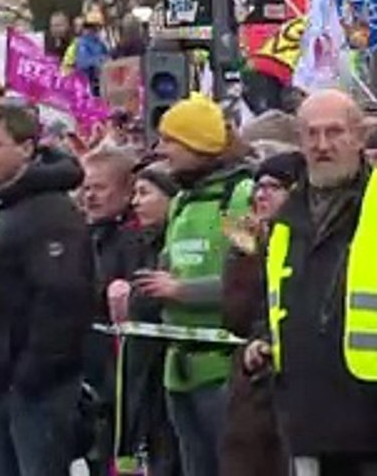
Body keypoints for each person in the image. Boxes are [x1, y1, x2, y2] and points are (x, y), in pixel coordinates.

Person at [258, 89, 377, 474]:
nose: (322, 145)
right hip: (309, 422)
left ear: (360, 137)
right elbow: (274, 303)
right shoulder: (288, 217)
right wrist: (260, 341)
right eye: (312, 134)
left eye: (334, 132)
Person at [0, 104, 94, 476]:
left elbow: (63, 302)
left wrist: (30, 375)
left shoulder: (51, 212)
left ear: (25, 148)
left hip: (36, 390)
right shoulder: (11, 203)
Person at [135, 94, 253, 476]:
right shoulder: (182, 201)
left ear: (197, 144)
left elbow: (248, 282)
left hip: (222, 370)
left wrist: (182, 291)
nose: (161, 149)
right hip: (178, 369)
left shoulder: (238, 197)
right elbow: (169, 267)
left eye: (171, 140)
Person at [221, 150, 303, 476]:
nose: (261, 195)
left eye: (274, 187)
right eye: (258, 187)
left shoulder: (306, 242)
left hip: (293, 388)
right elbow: (235, 316)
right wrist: (244, 255)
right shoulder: (252, 242)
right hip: (253, 385)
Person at [111, 163, 183, 476]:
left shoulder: (176, 244)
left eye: (144, 193)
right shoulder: (137, 242)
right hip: (145, 372)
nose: (135, 202)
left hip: (175, 368)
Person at [79, 145, 141, 476]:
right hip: (88, 364)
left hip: (118, 368)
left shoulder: (132, 239)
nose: (90, 196)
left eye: (99, 188)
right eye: (86, 187)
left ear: (127, 191)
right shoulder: (84, 234)